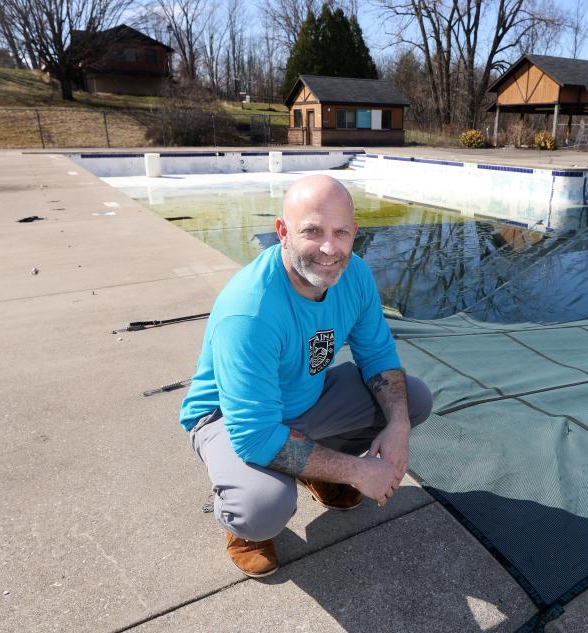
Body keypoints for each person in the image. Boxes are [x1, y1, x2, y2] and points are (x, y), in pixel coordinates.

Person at [179, 174, 432, 578]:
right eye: (312, 231)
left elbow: (379, 355)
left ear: (355, 234)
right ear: (282, 232)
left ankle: (314, 472)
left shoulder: (356, 276)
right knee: (264, 506)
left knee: (412, 399)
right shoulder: (250, 310)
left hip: (303, 399)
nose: (330, 248)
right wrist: (357, 470)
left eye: (341, 232)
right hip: (228, 418)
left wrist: (398, 425)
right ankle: (242, 530)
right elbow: (255, 435)